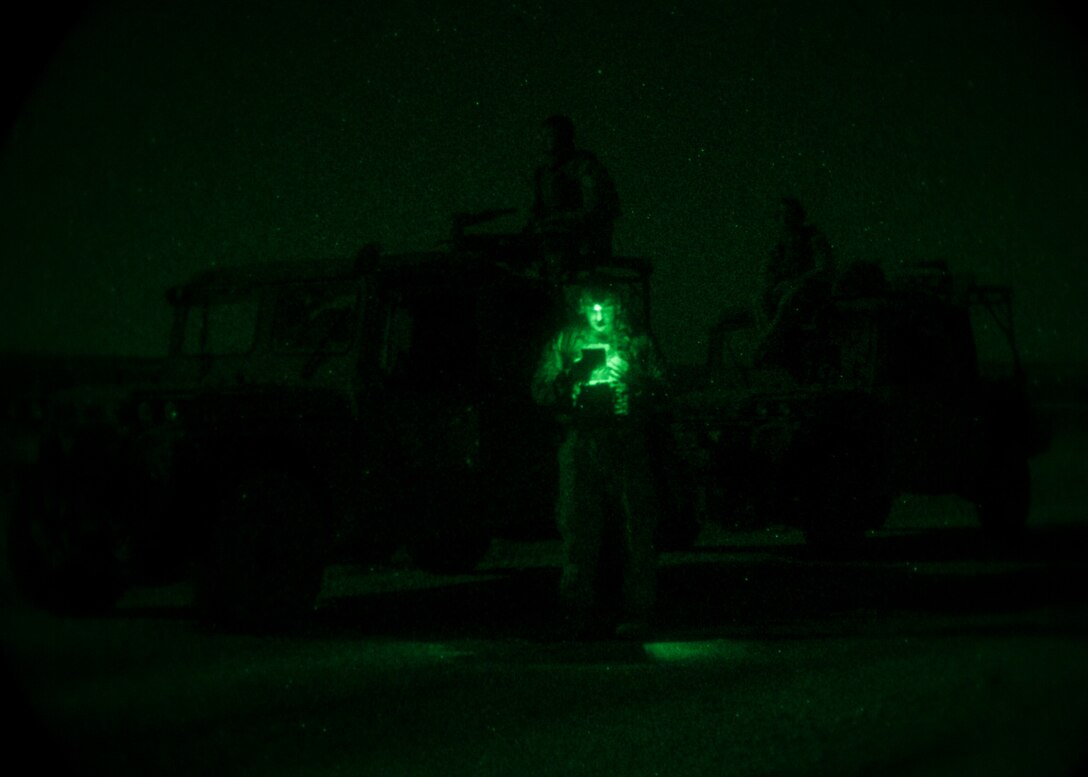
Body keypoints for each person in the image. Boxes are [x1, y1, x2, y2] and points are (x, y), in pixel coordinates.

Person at [531, 279, 667, 640]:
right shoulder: (565, 342)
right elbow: (539, 391)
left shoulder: (636, 342)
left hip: (626, 441)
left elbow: (664, 388)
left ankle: (639, 610)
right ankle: (577, 611)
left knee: (636, 527)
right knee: (578, 527)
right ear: (580, 308)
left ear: (616, 309)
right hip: (581, 441)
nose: (597, 316)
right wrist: (569, 376)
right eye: (591, 309)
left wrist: (636, 380)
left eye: (604, 309)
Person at [525, 115, 621, 281]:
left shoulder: (584, 167)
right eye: (541, 136)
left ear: (564, 137)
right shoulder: (543, 173)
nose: (543, 141)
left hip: (581, 243)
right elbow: (536, 211)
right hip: (551, 241)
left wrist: (559, 221)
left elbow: (596, 209)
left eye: (549, 135)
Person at [753, 197, 837, 381]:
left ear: (799, 217)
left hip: (811, 293)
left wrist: (794, 282)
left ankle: (765, 343)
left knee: (789, 299)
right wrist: (770, 287)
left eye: (789, 214)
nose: (785, 219)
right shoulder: (778, 248)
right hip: (785, 293)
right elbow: (765, 274)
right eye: (781, 215)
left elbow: (825, 268)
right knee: (759, 299)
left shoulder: (814, 239)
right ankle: (776, 347)